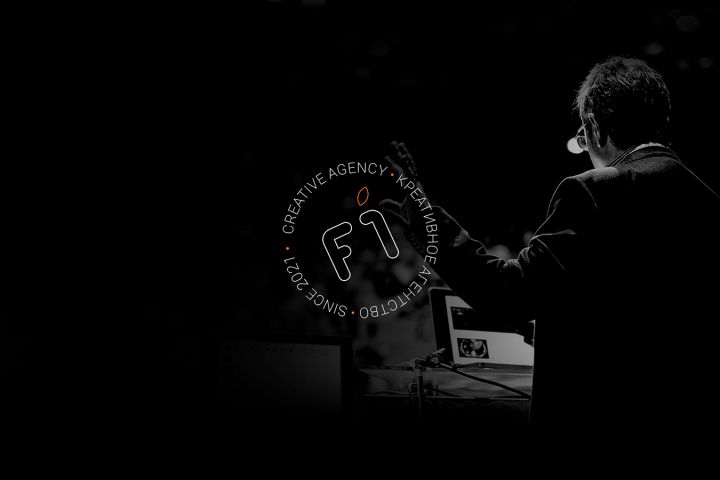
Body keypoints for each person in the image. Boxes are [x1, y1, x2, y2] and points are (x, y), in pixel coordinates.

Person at [381, 56, 720, 432]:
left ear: (596, 128)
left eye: (583, 138)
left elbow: (509, 294)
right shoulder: (709, 201)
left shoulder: (593, 191)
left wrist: (427, 221)